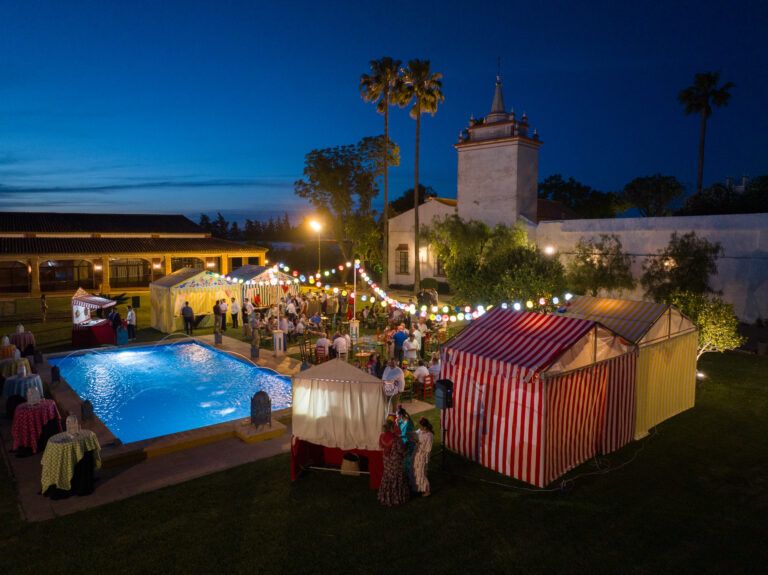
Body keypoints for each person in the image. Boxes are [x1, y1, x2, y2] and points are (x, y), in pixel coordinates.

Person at [378, 419, 409, 507]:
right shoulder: (396, 439)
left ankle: (386, 497)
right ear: (392, 427)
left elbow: (381, 446)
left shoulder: (381, 436)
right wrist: (406, 447)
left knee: (388, 476)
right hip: (396, 461)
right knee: (396, 477)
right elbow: (402, 451)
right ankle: (396, 498)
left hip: (387, 460)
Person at [413, 417, 434, 496]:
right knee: (418, 472)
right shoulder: (420, 432)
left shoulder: (429, 436)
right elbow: (415, 433)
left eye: (421, 426)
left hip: (423, 456)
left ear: (425, 427)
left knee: (422, 473)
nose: (420, 428)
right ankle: (420, 488)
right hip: (418, 455)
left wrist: (419, 445)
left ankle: (427, 490)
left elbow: (428, 449)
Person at [397, 406, 416, 488]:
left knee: (408, 463)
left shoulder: (408, 423)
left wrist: (399, 436)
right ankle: (406, 480)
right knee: (404, 462)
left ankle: (410, 482)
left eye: (398, 415)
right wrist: (397, 423)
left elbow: (406, 435)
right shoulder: (402, 420)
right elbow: (399, 428)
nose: (397, 417)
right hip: (404, 443)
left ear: (401, 415)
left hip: (408, 444)